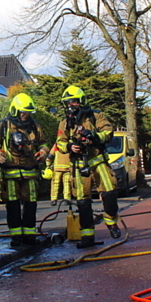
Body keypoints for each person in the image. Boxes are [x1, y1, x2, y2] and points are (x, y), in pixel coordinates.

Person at [55, 85, 122, 248]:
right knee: (83, 202)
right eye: (68, 102)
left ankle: (111, 222)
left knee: (110, 194)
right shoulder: (65, 123)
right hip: (78, 166)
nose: (71, 105)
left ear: (82, 101)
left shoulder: (95, 115)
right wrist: (70, 147)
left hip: (98, 161)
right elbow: (60, 142)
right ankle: (87, 236)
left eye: (74, 102)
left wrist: (94, 136)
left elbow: (108, 132)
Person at [0, 93, 49, 246]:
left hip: (30, 173)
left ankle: (29, 235)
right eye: (22, 112)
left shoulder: (34, 126)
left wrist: (43, 152)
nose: (25, 115)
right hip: (10, 174)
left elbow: (43, 143)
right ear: (14, 110)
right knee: (13, 206)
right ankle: (16, 237)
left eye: (27, 113)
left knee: (31, 205)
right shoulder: (3, 125)